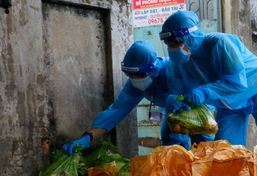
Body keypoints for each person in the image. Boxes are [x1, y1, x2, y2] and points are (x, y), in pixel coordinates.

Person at [159, 10, 257, 158]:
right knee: (224, 153)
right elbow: (179, 88)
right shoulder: (181, 62)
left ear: (190, 37)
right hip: (229, 106)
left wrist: (204, 92)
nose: (172, 49)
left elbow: (237, 84)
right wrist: (177, 101)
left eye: (175, 43)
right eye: (168, 44)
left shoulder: (219, 44)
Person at [61, 40, 204, 155]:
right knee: (171, 149)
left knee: (204, 148)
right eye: (130, 75)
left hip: (196, 109)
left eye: (139, 75)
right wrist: (87, 137)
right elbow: (116, 111)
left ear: (152, 69)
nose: (135, 79)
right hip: (172, 113)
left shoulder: (172, 71)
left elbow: (195, 91)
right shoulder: (134, 85)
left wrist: (179, 100)